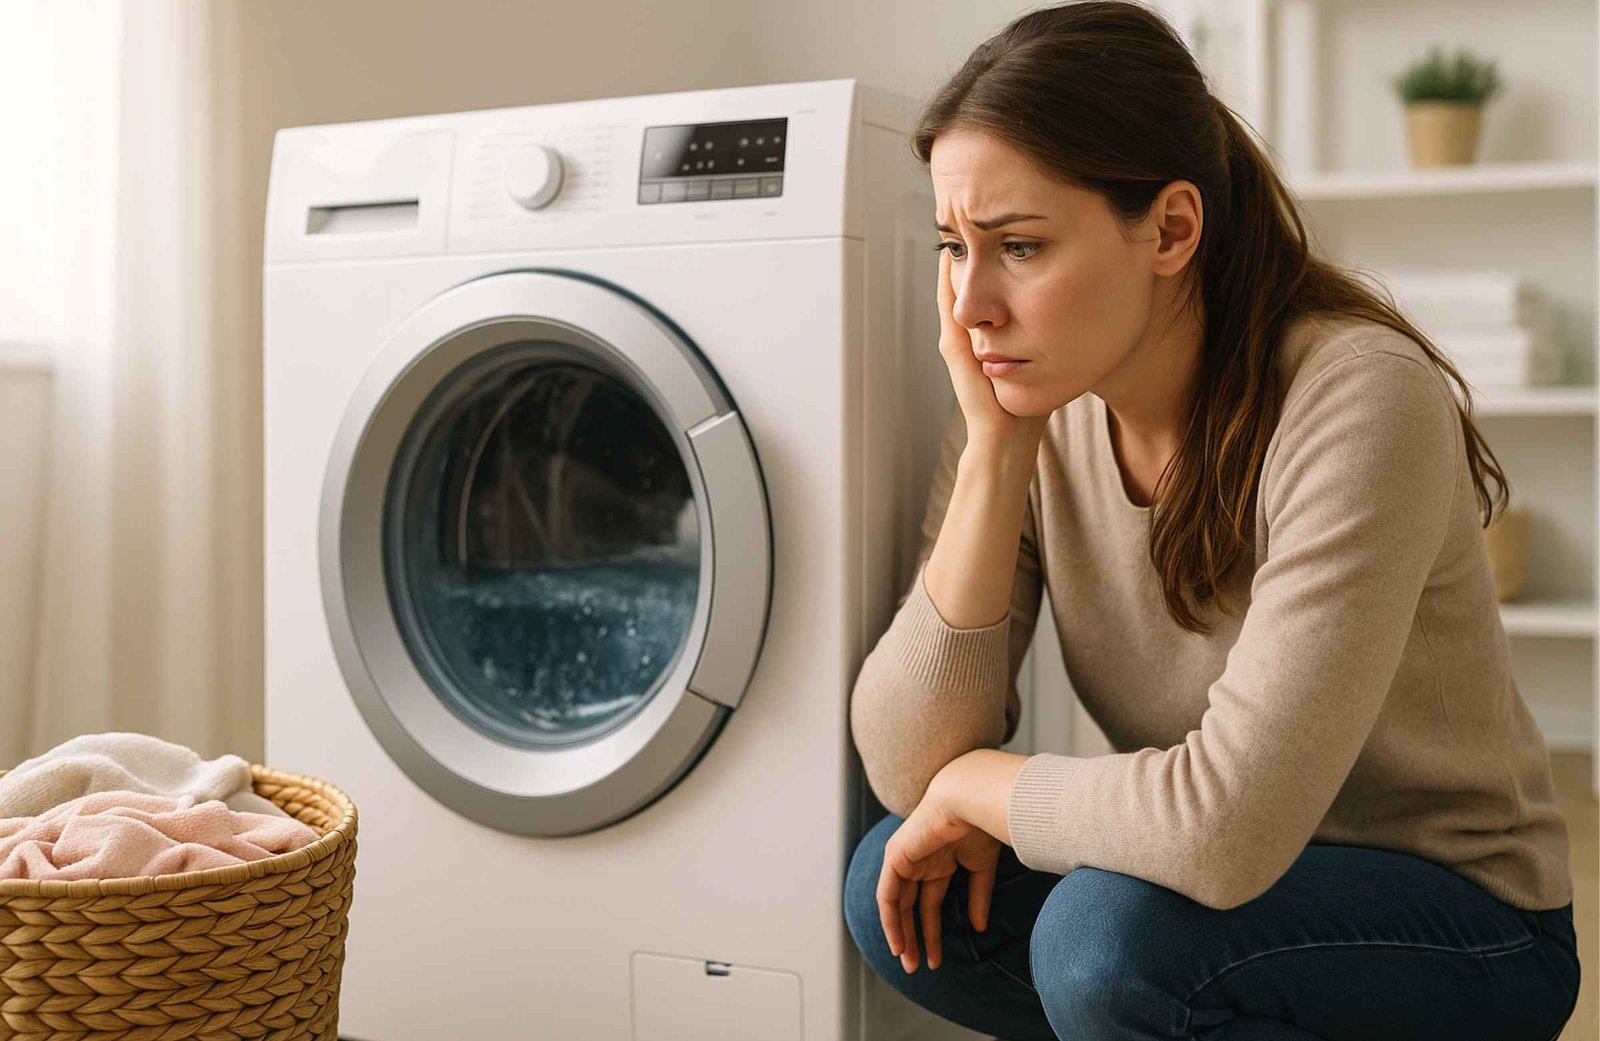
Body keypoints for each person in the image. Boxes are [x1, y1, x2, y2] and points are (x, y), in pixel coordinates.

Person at [842, 3, 1582, 1039]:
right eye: (951, 247)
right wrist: (997, 453)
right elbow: (903, 763)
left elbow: (1221, 830)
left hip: (1458, 920)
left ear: (1171, 230)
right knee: (897, 891)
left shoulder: (1357, 395)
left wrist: (973, 783)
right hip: (1219, 893)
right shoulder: (1035, 407)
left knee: (1105, 943)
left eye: (1017, 246)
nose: (969, 306)